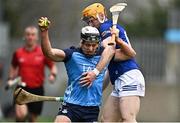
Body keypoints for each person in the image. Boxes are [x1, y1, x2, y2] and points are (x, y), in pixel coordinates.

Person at [38, 17, 135, 122]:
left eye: (94, 45)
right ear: (82, 42)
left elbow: (130, 54)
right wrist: (44, 32)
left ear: (98, 43)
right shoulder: (72, 55)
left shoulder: (104, 55)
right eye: (87, 45)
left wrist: (118, 40)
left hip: (91, 109)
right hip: (71, 105)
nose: (91, 48)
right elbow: (49, 53)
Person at [81, 3, 145, 122]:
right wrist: (97, 90)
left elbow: (110, 51)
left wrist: (95, 72)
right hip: (119, 81)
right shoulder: (104, 30)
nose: (90, 25)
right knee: (107, 120)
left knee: (128, 119)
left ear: (100, 16)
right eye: (88, 22)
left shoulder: (105, 28)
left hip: (129, 77)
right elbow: (109, 70)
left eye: (92, 21)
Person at [7, 26, 57, 122]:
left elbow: (52, 66)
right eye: (28, 34)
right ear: (24, 36)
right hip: (21, 88)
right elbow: (13, 66)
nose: (30, 37)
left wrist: (52, 75)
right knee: (21, 115)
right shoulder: (18, 53)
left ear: (37, 37)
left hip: (37, 89)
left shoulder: (42, 53)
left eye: (33, 35)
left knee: (32, 119)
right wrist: (10, 78)